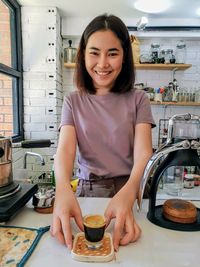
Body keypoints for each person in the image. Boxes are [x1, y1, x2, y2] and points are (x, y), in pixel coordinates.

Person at [51, 13, 155, 252]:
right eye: (95, 52)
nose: (103, 64)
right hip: (89, 190)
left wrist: (129, 192)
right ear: (83, 54)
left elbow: (143, 152)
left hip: (130, 187)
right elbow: (65, 150)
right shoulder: (73, 101)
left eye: (113, 53)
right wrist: (63, 189)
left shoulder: (139, 99)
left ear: (124, 57)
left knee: (138, 251)